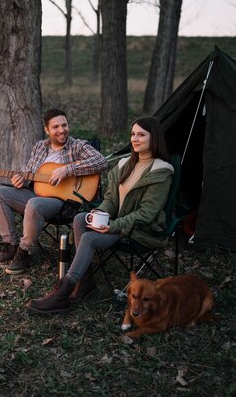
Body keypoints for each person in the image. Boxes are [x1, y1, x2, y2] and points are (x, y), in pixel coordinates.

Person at [27, 116, 174, 313]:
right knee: (81, 217)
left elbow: (147, 214)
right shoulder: (124, 165)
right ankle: (85, 282)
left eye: (141, 135)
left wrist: (111, 226)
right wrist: (100, 212)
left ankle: (63, 292)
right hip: (118, 225)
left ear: (153, 138)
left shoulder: (161, 172)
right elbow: (111, 200)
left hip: (140, 230)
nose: (135, 139)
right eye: (132, 134)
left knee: (88, 238)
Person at [0, 108, 108, 275]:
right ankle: (11, 245)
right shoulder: (40, 147)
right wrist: (21, 181)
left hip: (63, 201)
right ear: (47, 130)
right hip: (37, 193)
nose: (61, 130)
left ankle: (25, 251)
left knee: (34, 203)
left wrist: (67, 170)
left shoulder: (78, 146)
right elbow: (29, 172)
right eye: (56, 127)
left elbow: (101, 162)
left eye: (64, 125)